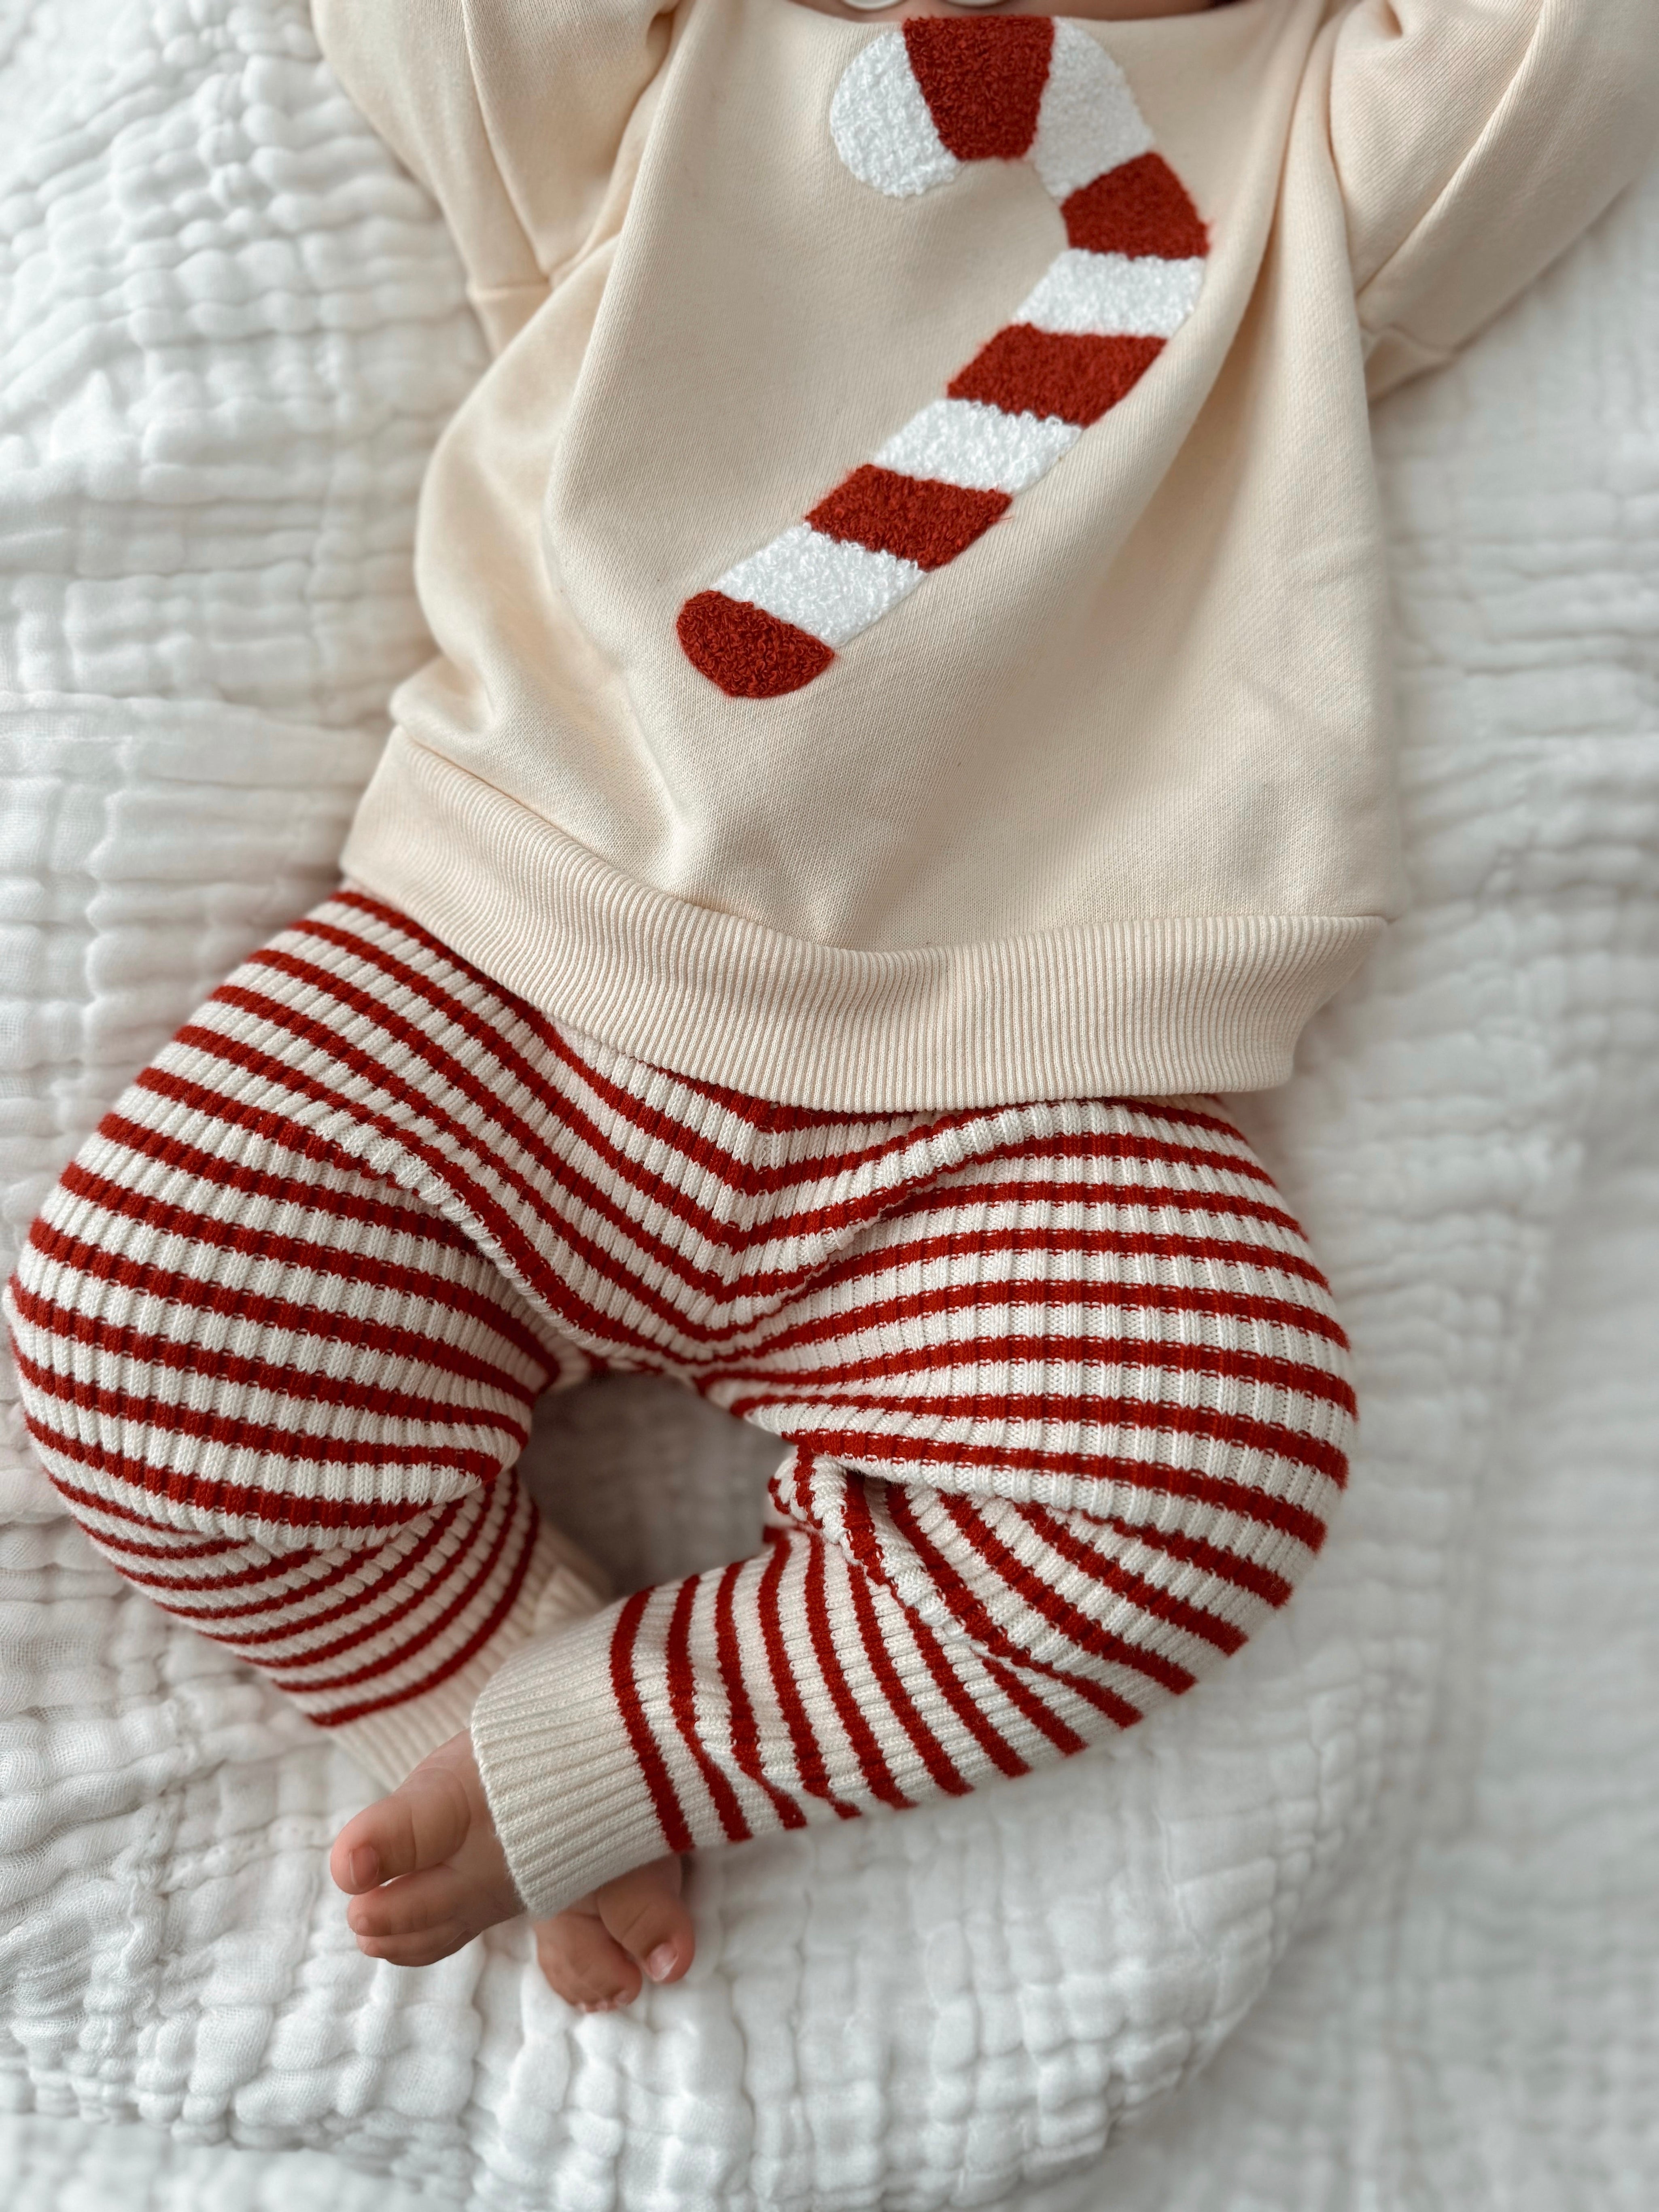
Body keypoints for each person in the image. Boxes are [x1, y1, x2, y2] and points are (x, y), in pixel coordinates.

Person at [7, 0, 1655, 2015]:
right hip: (513, 960)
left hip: (1027, 1072)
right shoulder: (669, 79)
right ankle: (478, 1675)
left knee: (1203, 1466)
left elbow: (1569, 58)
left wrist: (616, 1750)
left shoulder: (1318, 163)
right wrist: (474, 1688)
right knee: (135, 1327)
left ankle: (644, 1729)